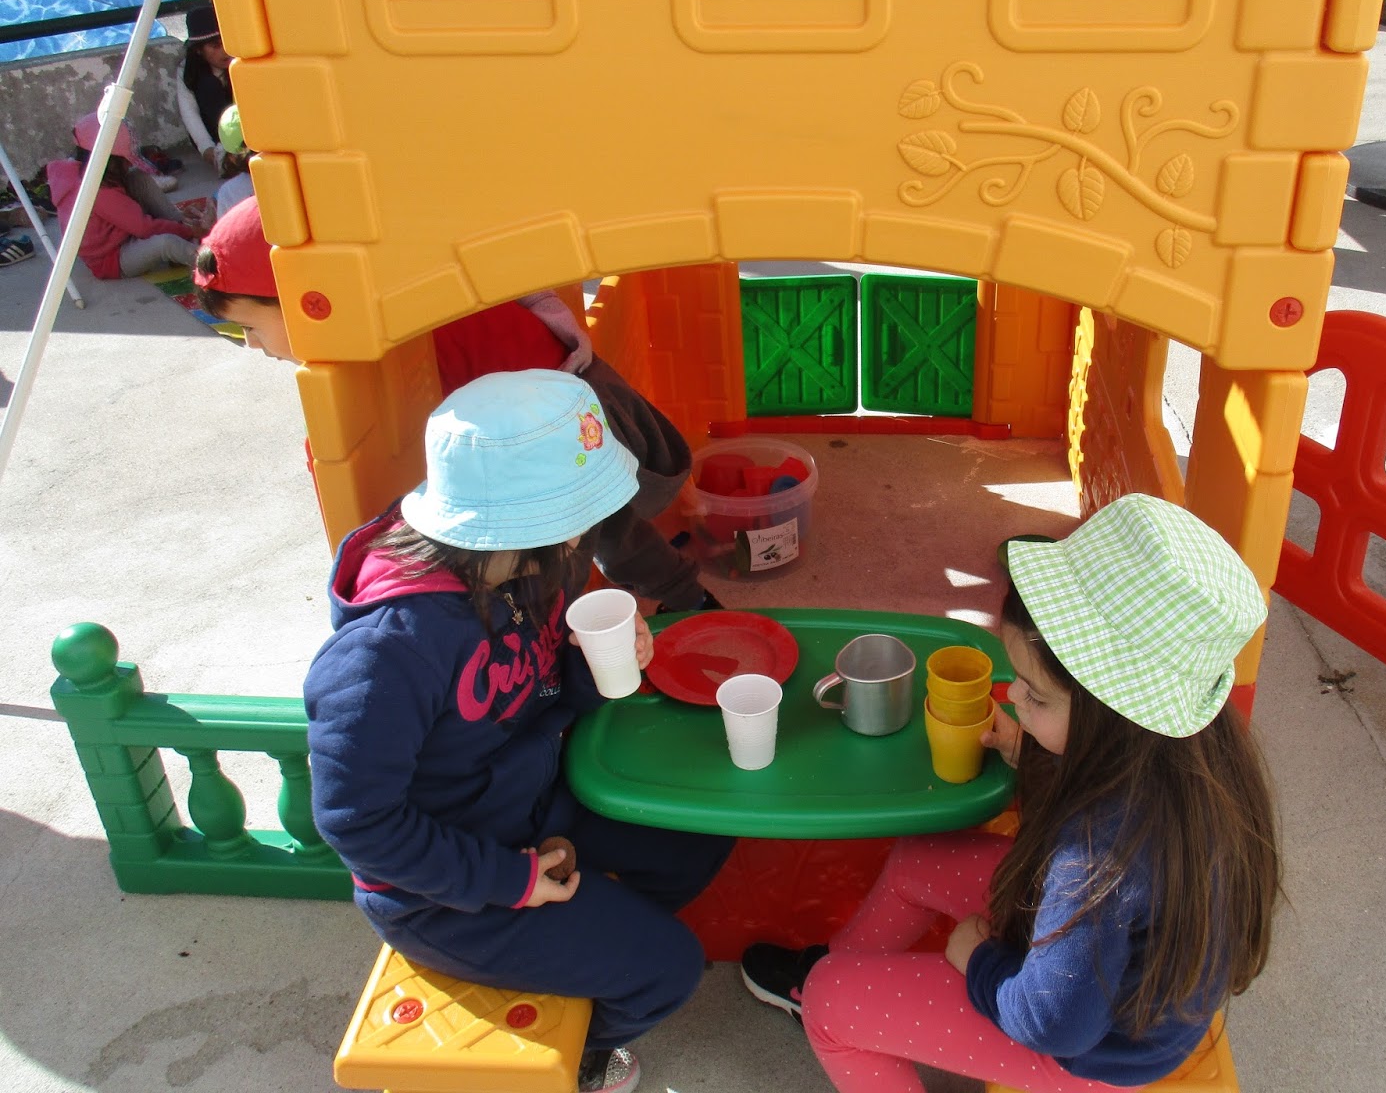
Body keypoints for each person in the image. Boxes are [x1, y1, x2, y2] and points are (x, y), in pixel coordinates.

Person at [739, 494, 1281, 1093]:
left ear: (1110, 719)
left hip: (1089, 1054)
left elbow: (1053, 1024)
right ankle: (835, 965)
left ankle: (822, 992)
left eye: (1036, 695)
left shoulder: (1098, 853)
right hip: (1117, 990)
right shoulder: (1189, 756)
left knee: (828, 1004)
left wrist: (978, 961)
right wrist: (1028, 748)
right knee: (917, 861)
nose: (1014, 698)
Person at [305, 369, 734, 1093]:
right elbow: (358, 822)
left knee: (700, 833)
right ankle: (574, 1058)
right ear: (532, 523)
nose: (592, 532)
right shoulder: (385, 655)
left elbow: (537, 696)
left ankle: (580, 948)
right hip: (440, 891)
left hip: (532, 807)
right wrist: (510, 881)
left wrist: (594, 669)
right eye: (583, 513)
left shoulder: (528, 568)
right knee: (668, 970)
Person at [192, 197, 716, 612]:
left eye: (251, 327)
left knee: (557, 561)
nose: (252, 344)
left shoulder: (401, 339)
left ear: (306, 302)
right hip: (567, 417)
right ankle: (686, 597)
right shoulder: (413, 299)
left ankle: (562, 650)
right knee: (608, 528)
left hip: (548, 443)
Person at [46, 114, 202, 280]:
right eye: (124, 160)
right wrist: (189, 231)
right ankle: (208, 261)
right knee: (166, 243)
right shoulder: (95, 191)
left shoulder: (82, 173)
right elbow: (144, 228)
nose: (129, 163)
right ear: (108, 161)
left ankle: (178, 222)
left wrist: (179, 226)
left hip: (119, 235)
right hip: (111, 259)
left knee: (137, 177)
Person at [176, 3, 242, 177]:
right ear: (199, 50)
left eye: (226, 43)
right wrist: (206, 148)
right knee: (208, 86)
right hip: (214, 134)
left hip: (243, 127)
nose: (224, 51)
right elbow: (189, 112)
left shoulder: (241, 60)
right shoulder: (188, 71)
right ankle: (225, 154)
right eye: (215, 46)